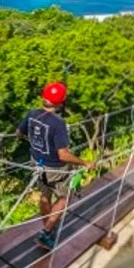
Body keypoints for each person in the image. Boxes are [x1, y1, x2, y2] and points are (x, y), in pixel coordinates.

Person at [16, 82, 94, 250]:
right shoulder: (58, 123)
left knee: (45, 196)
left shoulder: (32, 115)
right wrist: (85, 162)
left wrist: (34, 141)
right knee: (64, 198)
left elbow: (18, 133)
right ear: (60, 103)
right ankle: (46, 232)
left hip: (37, 164)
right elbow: (63, 155)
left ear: (43, 98)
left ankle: (47, 230)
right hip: (56, 169)